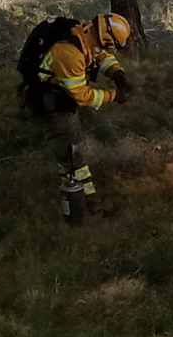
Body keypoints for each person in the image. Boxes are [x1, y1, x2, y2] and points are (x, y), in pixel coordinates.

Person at [17, 12, 134, 223]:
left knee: (77, 143)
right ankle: (79, 202)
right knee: (71, 151)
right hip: (52, 100)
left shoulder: (86, 33)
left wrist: (118, 73)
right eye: (111, 46)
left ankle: (86, 194)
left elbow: (100, 55)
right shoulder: (69, 53)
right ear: (105, 37)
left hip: (63, 91)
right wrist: (114, 96)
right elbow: (82, 95)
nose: (111, 51)